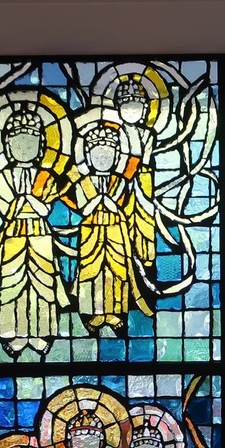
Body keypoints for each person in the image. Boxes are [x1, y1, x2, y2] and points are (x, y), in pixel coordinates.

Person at [0, 106, 72, 356]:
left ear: (41, 146)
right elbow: (6, 210)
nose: (24, 148)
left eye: (30, 142)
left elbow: (44, 209)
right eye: (18, 142)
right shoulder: (2, 178)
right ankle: (14, 334)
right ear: (8, 146)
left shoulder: (46, 177)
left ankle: (42, 333)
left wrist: (26, 200)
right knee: (11, 285)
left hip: (40, 237)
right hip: (13, 238)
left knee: (44, 284)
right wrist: (29, 201)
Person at [67, 120, 147, 336]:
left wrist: (103, 199)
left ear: (116, 157)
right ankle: (92, 311)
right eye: (97, 155)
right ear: (88, 156)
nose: (102, 159)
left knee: (116, 270)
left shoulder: (120, 181)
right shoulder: (82, 183)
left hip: (115, 230)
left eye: (108, 155)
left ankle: (113, 312)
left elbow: (116, 204)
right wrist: (100, 199)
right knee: (90, 271)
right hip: (91, 231)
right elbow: (85, 208)